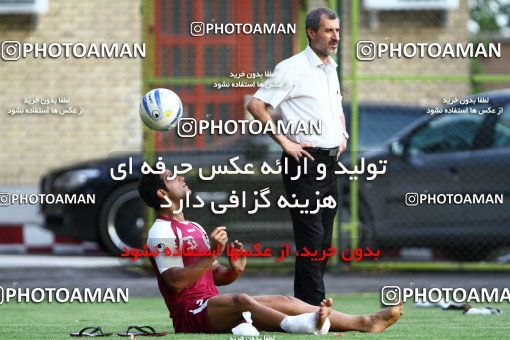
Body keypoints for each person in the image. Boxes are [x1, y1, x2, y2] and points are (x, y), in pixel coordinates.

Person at [137, 169, 403, 334]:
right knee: (241, 300)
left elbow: (210, 277)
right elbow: (175, 282)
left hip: (210, 306)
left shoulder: (192, 225)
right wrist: (212, 253)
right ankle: (301, 325)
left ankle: (366, 321)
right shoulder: (161, 232)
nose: (180, 176)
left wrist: (233, 270)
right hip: (189, 316)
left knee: (285, 300)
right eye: (171, 177)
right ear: (162, 192)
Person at [247, 7, 347, 306]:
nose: (335, 37)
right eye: (329, 30)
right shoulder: (291, 68)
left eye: (337, 31)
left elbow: (336, 107)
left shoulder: (331, 67)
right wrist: (284, 142)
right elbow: (256, 105)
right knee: (312, 242)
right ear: (311, 32)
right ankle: (316, 310)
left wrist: (343, 136)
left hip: (329, 164)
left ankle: (303, 307)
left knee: (324, 243)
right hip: (302, 163)